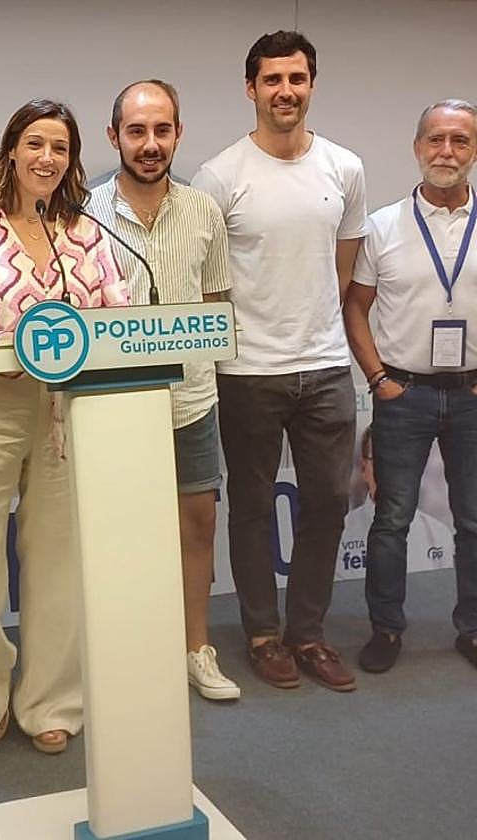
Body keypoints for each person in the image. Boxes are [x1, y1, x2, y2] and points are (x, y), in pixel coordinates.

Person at [0, 99, 129, 754]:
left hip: (65, 412)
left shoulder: (88, 234)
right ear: (12, 149)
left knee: (58, 557)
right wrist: (0, 349)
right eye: (35, 143)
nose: (47, 158)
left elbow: (118, 317)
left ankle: (50, 700)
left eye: (60, 148)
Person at [192, 30, 366, 692]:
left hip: (325, 366)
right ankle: (264, 634)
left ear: (311, 85)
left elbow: (342, 269)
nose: (285, 91)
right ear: (251, 89)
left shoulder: (344, 168)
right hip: (248, 371)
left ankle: (308, 633)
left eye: (296, 78)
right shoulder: (219, 176)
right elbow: (208, 281)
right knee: (253, 506)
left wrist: (312, 324)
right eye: (272, 79)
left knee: (328, 502)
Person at [86, 80, 237, 701]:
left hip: (191, 400)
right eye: (137, 131)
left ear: (178, 134)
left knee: (197, 527)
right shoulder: (83, 213)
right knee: (113, 534)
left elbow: (216, 302)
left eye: (162, 131)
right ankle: (123, 655)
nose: (150, 144)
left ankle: (195, 648)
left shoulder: (204, 211)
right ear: (113, 136)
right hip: (111, 408)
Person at [342, 99, 477, 673]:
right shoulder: (383, 226)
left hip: (470, 396)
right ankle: (387, 630)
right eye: (436, 140)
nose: (446, 151)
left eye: (460, 140)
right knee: (392, 519)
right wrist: (378, 378)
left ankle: (472, 629)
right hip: (403, 393)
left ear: (474, 150)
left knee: (473, 520)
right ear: (418, 147)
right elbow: (355, 306)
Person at [336, 426, 453, 583]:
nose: (387, 470)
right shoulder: (341, 536)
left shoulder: (439, 535)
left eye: (396, 460)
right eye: (379, 460)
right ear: (364, 469)